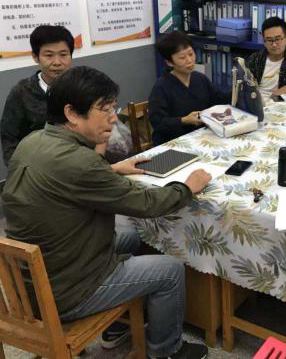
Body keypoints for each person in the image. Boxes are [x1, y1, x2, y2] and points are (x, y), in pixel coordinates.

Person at [2, 66, 212, 359]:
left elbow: (67, 181)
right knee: (170, 270)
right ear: (72, 113)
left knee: (131, 235)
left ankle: (117, 326)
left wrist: (111, 169)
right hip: (67, 291)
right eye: (104, 109)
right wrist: (188, 187)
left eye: (113, 107)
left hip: (33, 281)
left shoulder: (32, 141)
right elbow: (148, 204)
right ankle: (166, 351)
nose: (114, 117)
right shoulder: (82, 162)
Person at [1, 25, 74, 165]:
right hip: (37, 167)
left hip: (78, 162)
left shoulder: (82, 87)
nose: (57, 62)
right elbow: (9, 139)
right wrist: (21, 170)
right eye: (49, 55)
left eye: (63, 55)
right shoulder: (21, 92)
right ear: (35, 57)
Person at [149, 31, 231, 145]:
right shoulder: (161, 86)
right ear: (169, 62)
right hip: (173, 142)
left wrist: (239, 89)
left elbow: (218, 98)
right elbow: (157, 122)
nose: (189, 60)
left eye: (191, 54)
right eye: (182, 57)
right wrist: (184, 120)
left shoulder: (200, 78)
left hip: (200, 137)